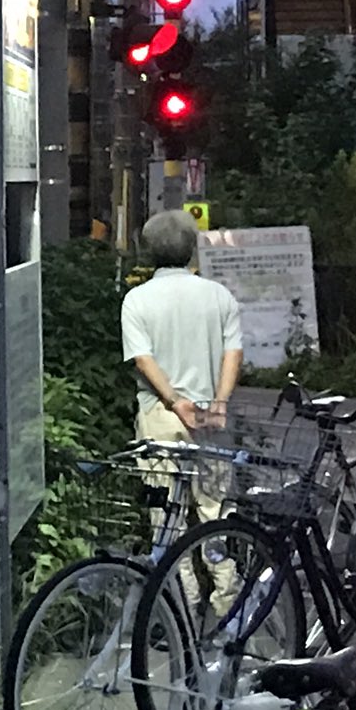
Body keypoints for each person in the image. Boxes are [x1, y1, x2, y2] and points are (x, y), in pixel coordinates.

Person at [122, 207, 243, 530]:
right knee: (215, 509)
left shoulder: (136, 300)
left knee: (166, 518)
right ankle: (224, 578)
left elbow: (142, 359)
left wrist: (176, 401)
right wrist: (220, 402)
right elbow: (233, 352)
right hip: (210, 415)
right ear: (191, 249)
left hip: (160, 413)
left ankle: (178, 581)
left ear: (150, 251)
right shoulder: (220, 296)